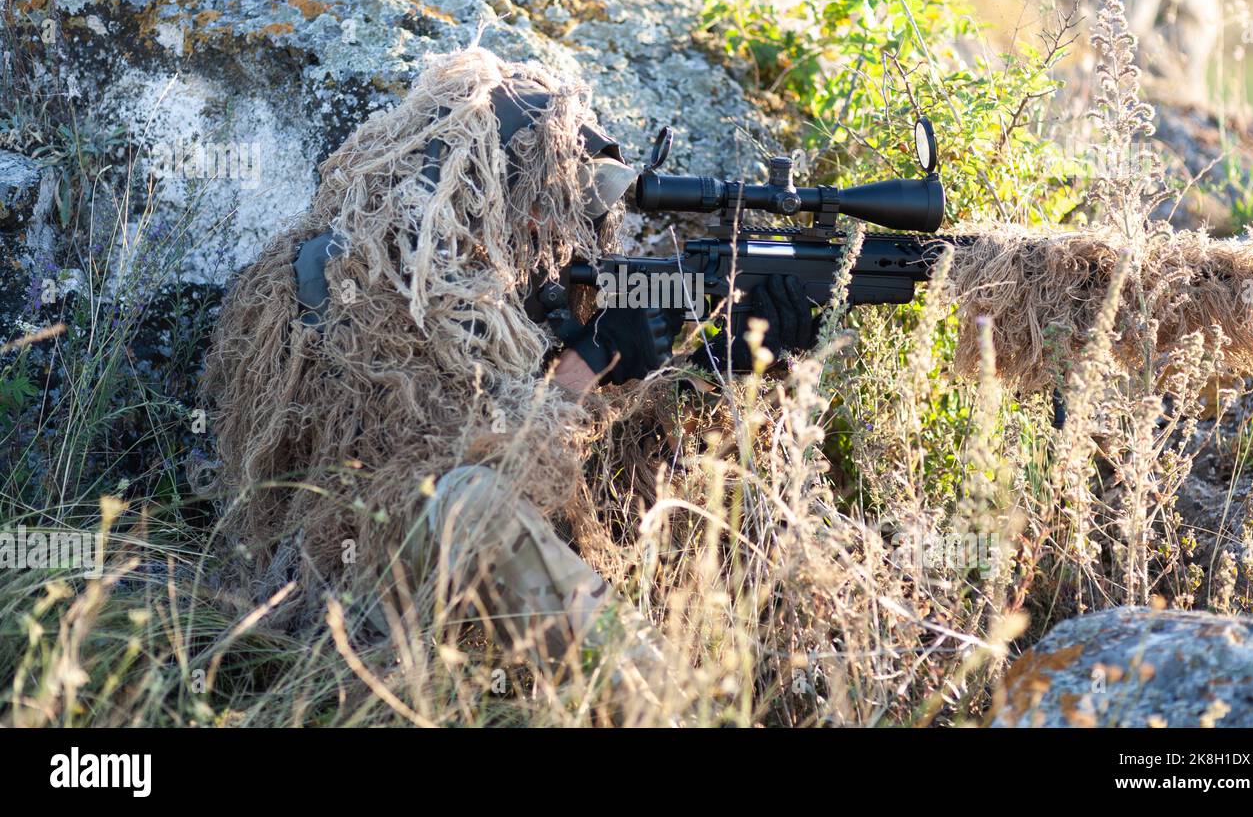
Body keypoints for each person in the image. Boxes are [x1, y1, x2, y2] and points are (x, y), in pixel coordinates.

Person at [201, 47, 816, 711]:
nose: (551, 233)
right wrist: (583, 373)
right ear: (475, 184)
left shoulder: (509, 288)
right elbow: (442, 474)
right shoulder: (358, 277)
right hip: (351, 597)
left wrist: (719, 360)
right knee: (470, 500)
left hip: (472, 598)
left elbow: (578, 467)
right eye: (535, 204)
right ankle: (659, 708)